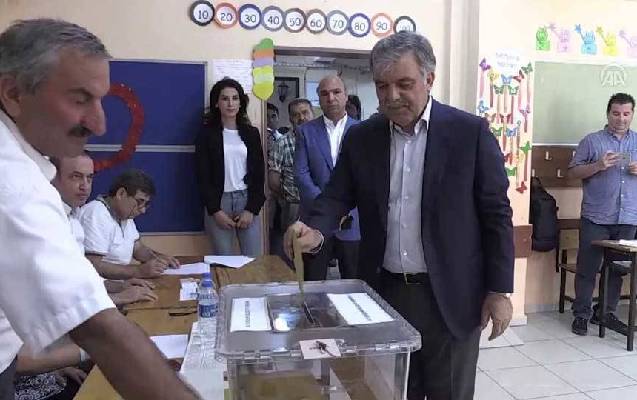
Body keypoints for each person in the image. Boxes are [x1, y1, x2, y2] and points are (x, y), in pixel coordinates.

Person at [284, 31, 514, 400]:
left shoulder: (469, 133)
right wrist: (315, 229)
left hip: (451, 296)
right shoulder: (363, 137)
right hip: (385, 293)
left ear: (429, 79)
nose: (391, 96)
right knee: (389, 392)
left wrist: (499, 290)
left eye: (404, 84)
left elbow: (496, 215)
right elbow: (337, 195)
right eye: (382, 85)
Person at [0, 18, 199, 399]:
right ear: (13, 93)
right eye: (79, 100)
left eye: (100, 100)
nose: (100, 124)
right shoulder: (12, 181)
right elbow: (99, 331)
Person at [568, 92, 637, 336]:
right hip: (596, 217)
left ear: (632, 114)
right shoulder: (592, 141)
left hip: (628, 217)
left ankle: (605, 312)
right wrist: (598, 165)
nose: (621, 118)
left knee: (617, 269)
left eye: (626, 114)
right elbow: (573, 173)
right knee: (587, 268)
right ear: (608, 114)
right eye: (616, 113)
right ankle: (581, 314)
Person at [51, 154, 158, 306]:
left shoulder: (73, 216)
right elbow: (62, 290)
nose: (85, 186)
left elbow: (84, 277)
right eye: (76, 177)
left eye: (89, 178)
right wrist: (121, 294)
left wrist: (121, 287)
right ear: (52, 177)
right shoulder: (51, 220)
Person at [294, 76, 361, 280]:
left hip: (352, 220)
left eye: (336, 92)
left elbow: (365, 175)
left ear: (346, 96)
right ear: (319, 100)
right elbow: (301, 174)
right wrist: (326, 209)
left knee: (354, 282)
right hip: (315, 220)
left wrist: (344, 209)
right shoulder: (305, 132)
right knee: (313, 282)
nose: (331, 98)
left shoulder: (362, 131)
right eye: (324, 94)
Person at [195, 78, 265, 256]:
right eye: (225, 98)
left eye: (235, 98)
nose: (230, 103)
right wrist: (215, 210)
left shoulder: (251, 133)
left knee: (253, 260)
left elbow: (259, 174)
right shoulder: (206, 135)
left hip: (246, 199)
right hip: (220, 201)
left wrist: (252, 209)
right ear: (216, 103)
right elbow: (202, 175)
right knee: (223, 259)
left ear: (241, 103)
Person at [80, 169, 180, 279]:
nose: (143, 210)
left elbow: (137, 248)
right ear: (121, 194)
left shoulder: (124, 215)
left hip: (121, 282)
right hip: (102, 286)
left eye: (146, 204)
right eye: (140, 202)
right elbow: (93, 265)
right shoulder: (95, 214)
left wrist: (157, 259)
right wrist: (138, 271)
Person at [269, 98, 315, 231]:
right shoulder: (281, 143)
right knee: (293, 242)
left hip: (321, 203)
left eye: (305, 112)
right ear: (290, 119)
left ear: (313, 114)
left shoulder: (324, 139)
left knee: (322, 241)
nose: (301, 118)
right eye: (296, 115)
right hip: (294, 206)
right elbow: (273, 180)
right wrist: (286, 199)